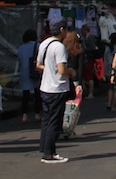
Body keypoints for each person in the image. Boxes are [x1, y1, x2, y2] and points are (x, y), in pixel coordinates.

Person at [37, 20, 74, 164]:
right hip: (57, 88)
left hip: (45, 87)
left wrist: (50, 70)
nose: (67, 32)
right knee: (54, 121)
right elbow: (62, 70)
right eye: (66, 29)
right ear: (61, 29)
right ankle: (49, 153)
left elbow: (39, 64)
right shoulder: (59, 47)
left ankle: (46, 149)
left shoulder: (44, 44)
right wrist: (70, 71)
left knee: (47, 120)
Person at [17, 29, 42, 124]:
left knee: (25, 95)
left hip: (24, 72)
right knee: (37, 93)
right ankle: (37, 114)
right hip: (35, 71)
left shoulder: (21, 48)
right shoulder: (38, 46)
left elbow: (19, 60)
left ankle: (24, 115)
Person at [81, 24, 101, 99]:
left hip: (90, 59)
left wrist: (84, 50)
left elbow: (93, 48)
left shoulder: (90, 38)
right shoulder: (87, 38)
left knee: (90, 77)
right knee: (87, 76)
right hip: (89, 59)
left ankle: (91, 93)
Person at [105, 32, 116, 112]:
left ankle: (109, 103)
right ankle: (114, 105)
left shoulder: (108, 48)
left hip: (108, 70)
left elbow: (106, 60)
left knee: (110, 88)